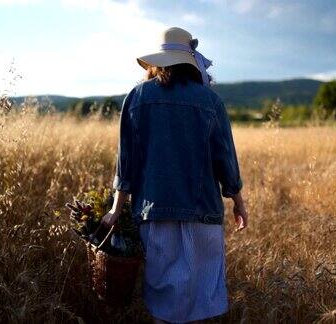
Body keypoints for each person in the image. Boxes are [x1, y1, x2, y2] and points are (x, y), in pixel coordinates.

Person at [101, 27, 248, 323]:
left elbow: (125, 162)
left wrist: (116, 210)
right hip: (202, 212)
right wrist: (238, 201)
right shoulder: (210, 101)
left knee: (164, 304)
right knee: (199, 300)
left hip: (155, 214)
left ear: (159, 61)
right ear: (189, 63)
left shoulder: (137, 98)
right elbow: (225, 159)